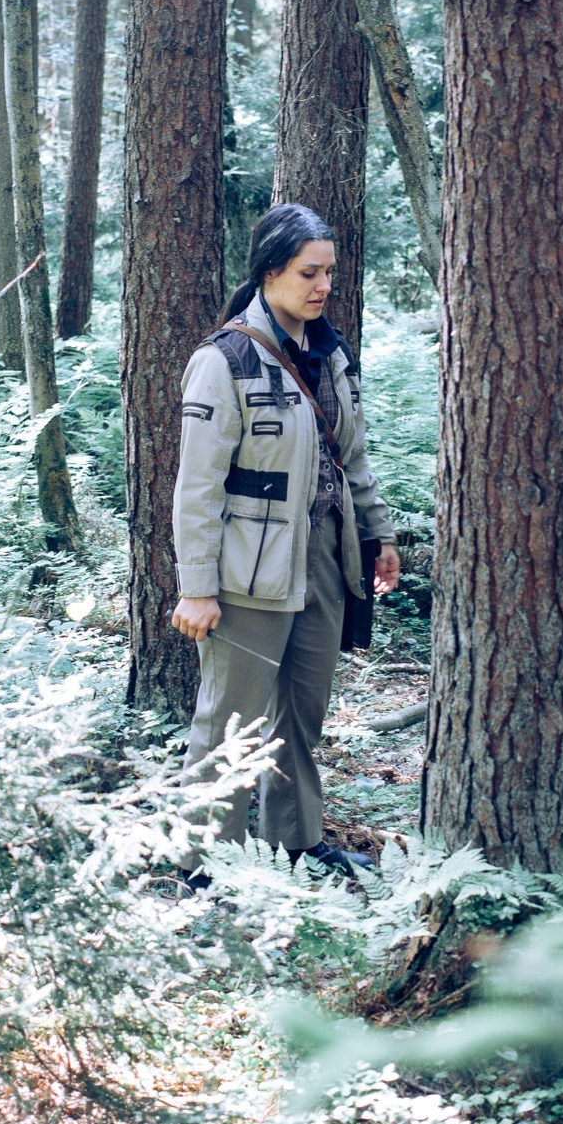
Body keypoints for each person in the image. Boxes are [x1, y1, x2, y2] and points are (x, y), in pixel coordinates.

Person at [172, 204, 401, 872]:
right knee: (229, 724)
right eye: (309, 271)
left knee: (302, 715)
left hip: (325, 559)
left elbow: (351, 456)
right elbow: (197, 486)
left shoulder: (331, 354)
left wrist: (377, 533)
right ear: (270, 271)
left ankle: (294, 843)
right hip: (248, 571)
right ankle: (204, 864)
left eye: (329, 271)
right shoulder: (226, 360)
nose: (323, 284)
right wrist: (197, 588)